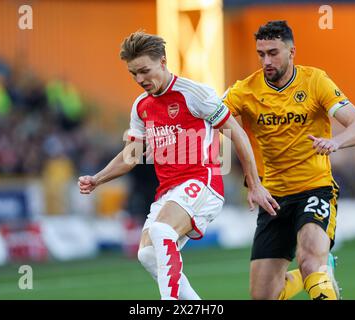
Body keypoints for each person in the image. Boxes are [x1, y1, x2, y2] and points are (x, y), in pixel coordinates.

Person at [78, 31, 278, 300]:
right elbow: (131, 155)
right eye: (133, 74)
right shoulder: (141, 107)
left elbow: (237, 134)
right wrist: (97, 179)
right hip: (168, 192)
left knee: (161, 231)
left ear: (162, 61)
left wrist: (254, 184)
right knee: (147, 255)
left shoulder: (194, 94)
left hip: (202, 184)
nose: (139, 80)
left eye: (144, 71)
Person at [223, 20, 355, 300]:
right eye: (261, 53)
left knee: (310, 263)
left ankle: (317, 272)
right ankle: (318, 272)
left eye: (273, 53)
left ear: (292, 52)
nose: (266, 60)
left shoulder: (315, 81)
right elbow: (212, 116)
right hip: (273, 197)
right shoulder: (244, 91)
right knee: (263, 295)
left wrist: (335, 142)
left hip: (315, 188)